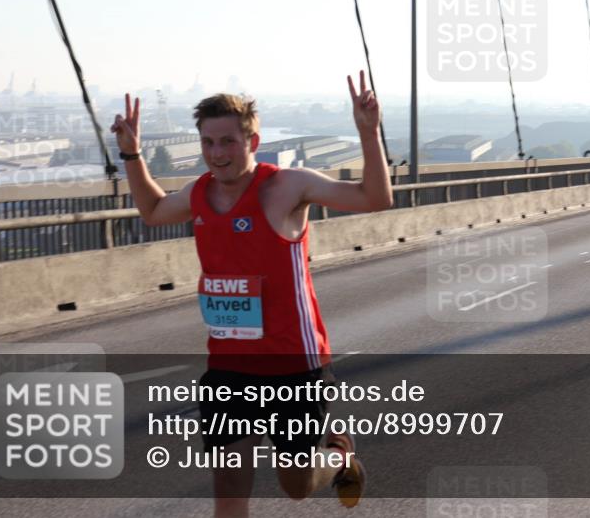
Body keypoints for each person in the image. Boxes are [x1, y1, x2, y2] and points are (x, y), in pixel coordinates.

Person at [111, 71, 391, 516]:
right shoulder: (198, 193)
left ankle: (339, 457)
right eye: (208, 143)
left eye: (228, 142)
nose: (217, 154)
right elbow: (153, 211)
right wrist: (131, 153)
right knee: (229, 491)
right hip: (228, 367)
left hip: (293, 365)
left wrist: (368, 133)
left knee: (296, 485)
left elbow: (375, 198)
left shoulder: (287, 186)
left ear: (253, 142)